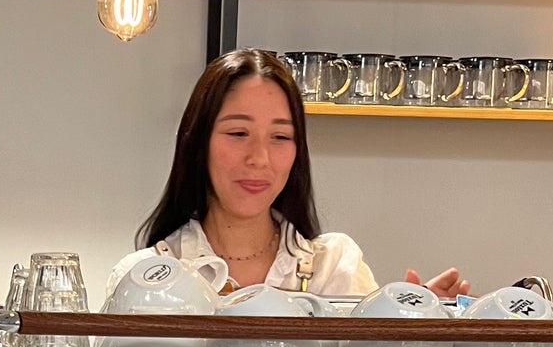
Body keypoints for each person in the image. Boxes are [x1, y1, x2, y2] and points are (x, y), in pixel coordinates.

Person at [116, 47, 469, 298]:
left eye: (281, 137)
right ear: (197, 143)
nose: (260, 158)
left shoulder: (334, 268)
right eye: (238, 133)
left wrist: (411, 328)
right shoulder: (146, 275)